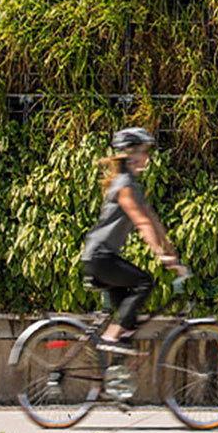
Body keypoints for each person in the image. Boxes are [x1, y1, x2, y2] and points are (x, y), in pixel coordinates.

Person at [81, 127, 186, 351]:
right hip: (100, 258)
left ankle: (112, 378)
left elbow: (153, 220)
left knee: (128, 325)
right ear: (130, 154)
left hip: (103, 258)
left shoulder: (132, 184)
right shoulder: (124, 185)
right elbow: (141, 222)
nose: (147, 157)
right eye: (143, 151)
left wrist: (173, 255)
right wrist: (161, 256)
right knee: (144, 283)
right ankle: (110, 338)